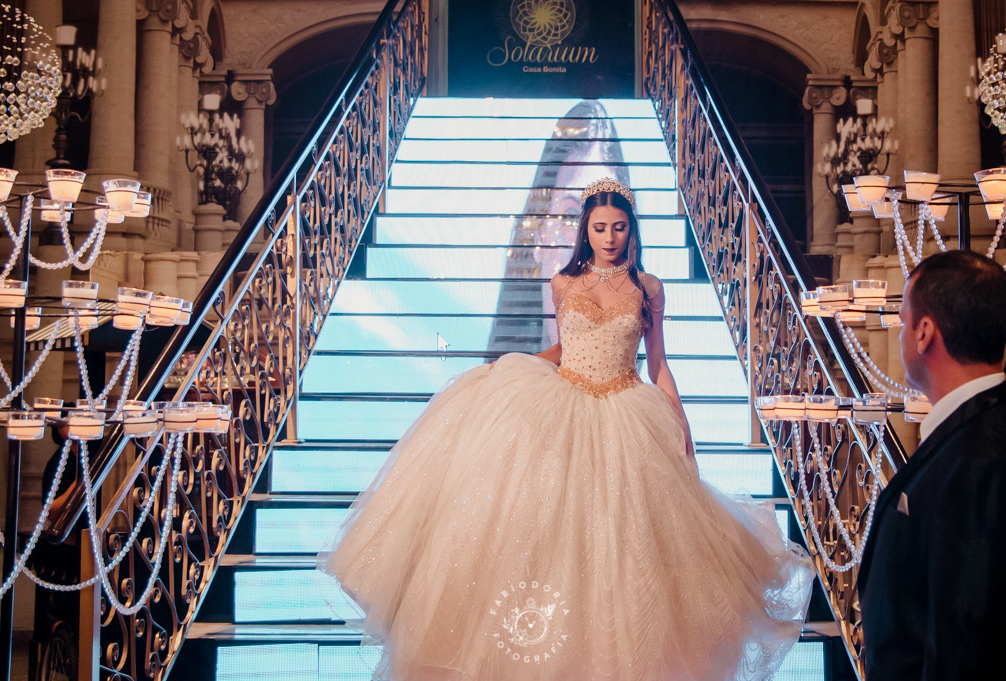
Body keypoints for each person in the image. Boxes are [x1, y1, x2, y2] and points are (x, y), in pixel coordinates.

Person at [318, 178, 814, 681]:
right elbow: (564, 348)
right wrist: (510, 368)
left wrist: (680, 420)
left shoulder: (649, 288)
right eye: (600, 227)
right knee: (539, 530)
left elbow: (659, 363)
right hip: (565, 402)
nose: (610, 237)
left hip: (627, 407)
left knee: (627, 545)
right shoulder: (563, 282)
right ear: (586, 230)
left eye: (619, 227)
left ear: (631, 229)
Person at [858, 249, 1006, 681]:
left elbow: (968, 650)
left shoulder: (984, 460)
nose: (900, 334)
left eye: (903, 320)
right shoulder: (987, 433)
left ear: (925, 333)